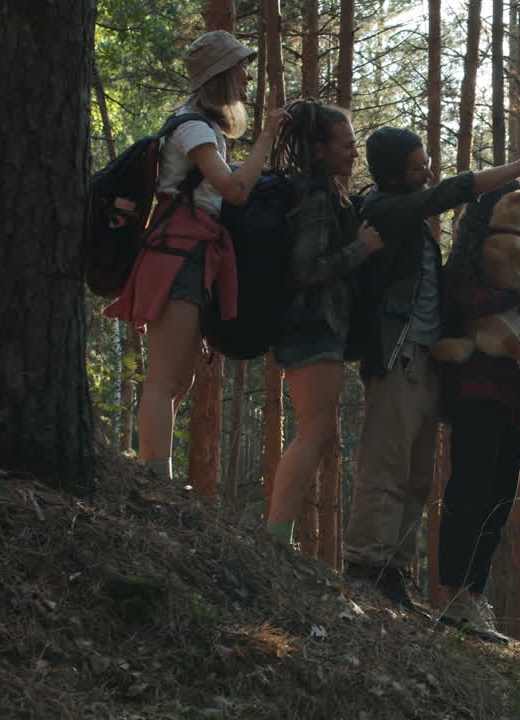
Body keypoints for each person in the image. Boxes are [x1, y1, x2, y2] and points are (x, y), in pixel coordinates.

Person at [342, 126, 520, 615]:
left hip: (425, 358)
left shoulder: (414, 220)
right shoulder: (385, 208)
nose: (428, 169)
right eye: (419, 162)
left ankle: (394, 574)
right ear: (395, 169)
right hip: (395, 352)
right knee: (386, 464)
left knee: (417, 473)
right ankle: (364, 566)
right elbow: (456, 191)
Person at [105, 30, 287, 482]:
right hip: (177, 253)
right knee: (165, 379)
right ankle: (154, 481)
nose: (247, 76)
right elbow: (235, 190)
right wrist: (266, 137)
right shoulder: (192, 128)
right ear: (221, 77)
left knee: (179, 379)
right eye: (241, 68)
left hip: (191, 253)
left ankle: (155, 472)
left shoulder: (196, 127)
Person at [435, 183, 520, 643]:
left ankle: (473, 596)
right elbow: (463, 304)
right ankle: (455, 596)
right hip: (477, 388)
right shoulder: (466, 260)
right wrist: (518, 292)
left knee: (497, 500)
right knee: (470, 492)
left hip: (517, 394)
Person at [261, 99, 383, 546]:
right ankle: (276, 535)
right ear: (318, 149)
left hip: (317, 326)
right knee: (314, 430)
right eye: (346, 144)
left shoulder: (326, 192)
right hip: (311, 324)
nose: (354, 152)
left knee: (318, 429)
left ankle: (280, 532)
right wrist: (361, 249)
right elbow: (307, 268)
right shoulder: (313, 196)